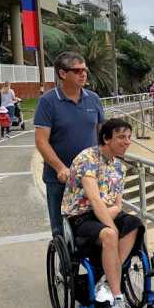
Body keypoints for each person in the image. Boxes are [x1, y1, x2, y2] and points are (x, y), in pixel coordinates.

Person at [62, 118, 141, 308]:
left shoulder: (119, 167)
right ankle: (117, 297)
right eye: (121, 137)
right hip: (81, 215)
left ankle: (105, 281)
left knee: (135, 223)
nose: (127, 142)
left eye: (129, 137)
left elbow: (117, 204)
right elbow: (95, 199)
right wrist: (111, 225)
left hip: (106, 213)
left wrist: (113, 214)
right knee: (109, 234)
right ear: (106, 139)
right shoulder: (87, 158)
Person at [34, 52, 104, 236]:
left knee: (94, 227)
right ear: (62, 74)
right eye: (77, 70)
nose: (83, 74)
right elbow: (41, 141)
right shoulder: (47, 102)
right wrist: (60, 168)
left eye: (85, 70)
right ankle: (66, 264)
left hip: (90, 176)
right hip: (59, 179)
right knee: (61, 232)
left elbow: (101, 136)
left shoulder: (93, 99)